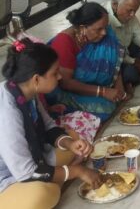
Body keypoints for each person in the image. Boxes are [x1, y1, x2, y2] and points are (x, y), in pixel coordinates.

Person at [0, 39, 102, 209]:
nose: (60, 76)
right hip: (8, 176)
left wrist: (70, 143)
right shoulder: (6, 109)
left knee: (73, 139)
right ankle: (53, 180)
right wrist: (77, 171)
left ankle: (56, 176)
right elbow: (25, 172)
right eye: (55, 73)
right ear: (36, 79)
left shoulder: (27, 91)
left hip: (34, 158)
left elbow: (48, 127)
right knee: (44, 194)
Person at [46, 3, 126, 122]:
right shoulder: (64, 42)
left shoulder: (103, 34)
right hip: (70, 91)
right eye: (99, 29)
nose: (104, 32)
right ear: (83, 27)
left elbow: (114, 63)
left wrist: (119, 88)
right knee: (106, 108)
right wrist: (103, 92)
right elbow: (65, 83)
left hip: (98, 85)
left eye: (105, 27)